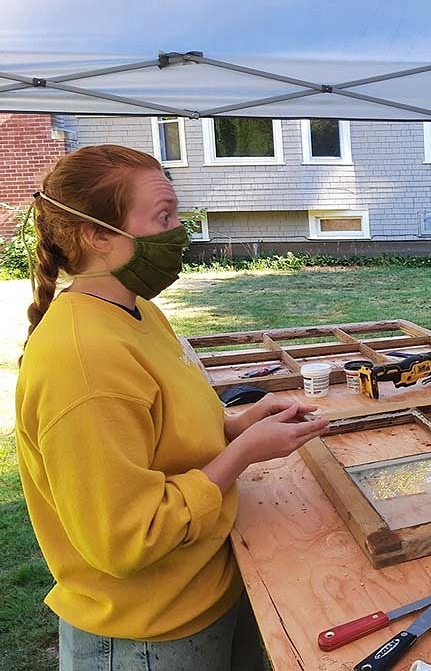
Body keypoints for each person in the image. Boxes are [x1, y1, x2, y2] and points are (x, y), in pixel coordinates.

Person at [15, 145, 329, 670]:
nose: (180, 229)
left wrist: (234, 425)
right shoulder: (83, 360)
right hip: (148, 636)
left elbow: (161, 439)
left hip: (205, 591)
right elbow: (127, 538)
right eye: (164, 216)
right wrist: (244, 453)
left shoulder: (137, 312)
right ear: (98, 236)